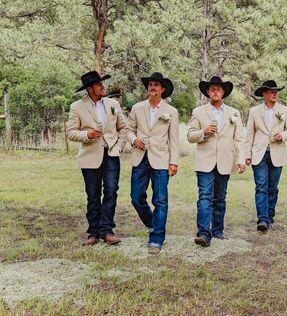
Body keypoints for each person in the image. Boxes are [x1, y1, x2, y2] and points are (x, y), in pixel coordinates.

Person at [66, 70, 127, 246]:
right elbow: (70, 132)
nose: (103, 86)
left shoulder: (113, 103)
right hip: (89, 157)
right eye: (99, 84)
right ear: (90, 89)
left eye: (102, 83)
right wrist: (87, 134)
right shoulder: (76, 107)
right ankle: (93, 232)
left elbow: (123, 128)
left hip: (111, 155)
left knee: (111, 192)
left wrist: (119, 147)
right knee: (93, 195)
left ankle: (107, 231)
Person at [187, 76, 246, 247]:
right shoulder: (198, 112)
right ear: (207, 92)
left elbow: (239, 139)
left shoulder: (234, 113)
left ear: (223, 93)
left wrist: (240, 160)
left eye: (218, 89)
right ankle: (204, 233)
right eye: (212, 88)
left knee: (220, 198)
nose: (215, 91)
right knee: (205, 197)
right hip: (205, 161)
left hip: (225, 161)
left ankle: (218, 231)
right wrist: (204, 132)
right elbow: (190, 136)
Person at [127, 72, 179, 255]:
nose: (152, 87)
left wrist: (173, 162)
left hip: (161, 159)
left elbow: (174, 140)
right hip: (140, 157)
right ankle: (152, 223)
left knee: (160, 200)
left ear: (162, 89)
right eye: (150, 84)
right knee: (136, 197)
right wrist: (134, 140)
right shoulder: (137, 108)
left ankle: (156, 239)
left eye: (156, 85)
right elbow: (129, 129)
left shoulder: (171, 112)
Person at [245, 80, 287, 232]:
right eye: (271, 91)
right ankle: (262, 219)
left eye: (276, 91)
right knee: (261, 187)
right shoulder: (254, 111)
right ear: (264, 94)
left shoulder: (285, 110)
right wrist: (247, 154)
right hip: (259, 154)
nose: (275, 93)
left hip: (277, 153)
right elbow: (249, 134)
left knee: (273, 187)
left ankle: (270, 217)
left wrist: (283, 135)